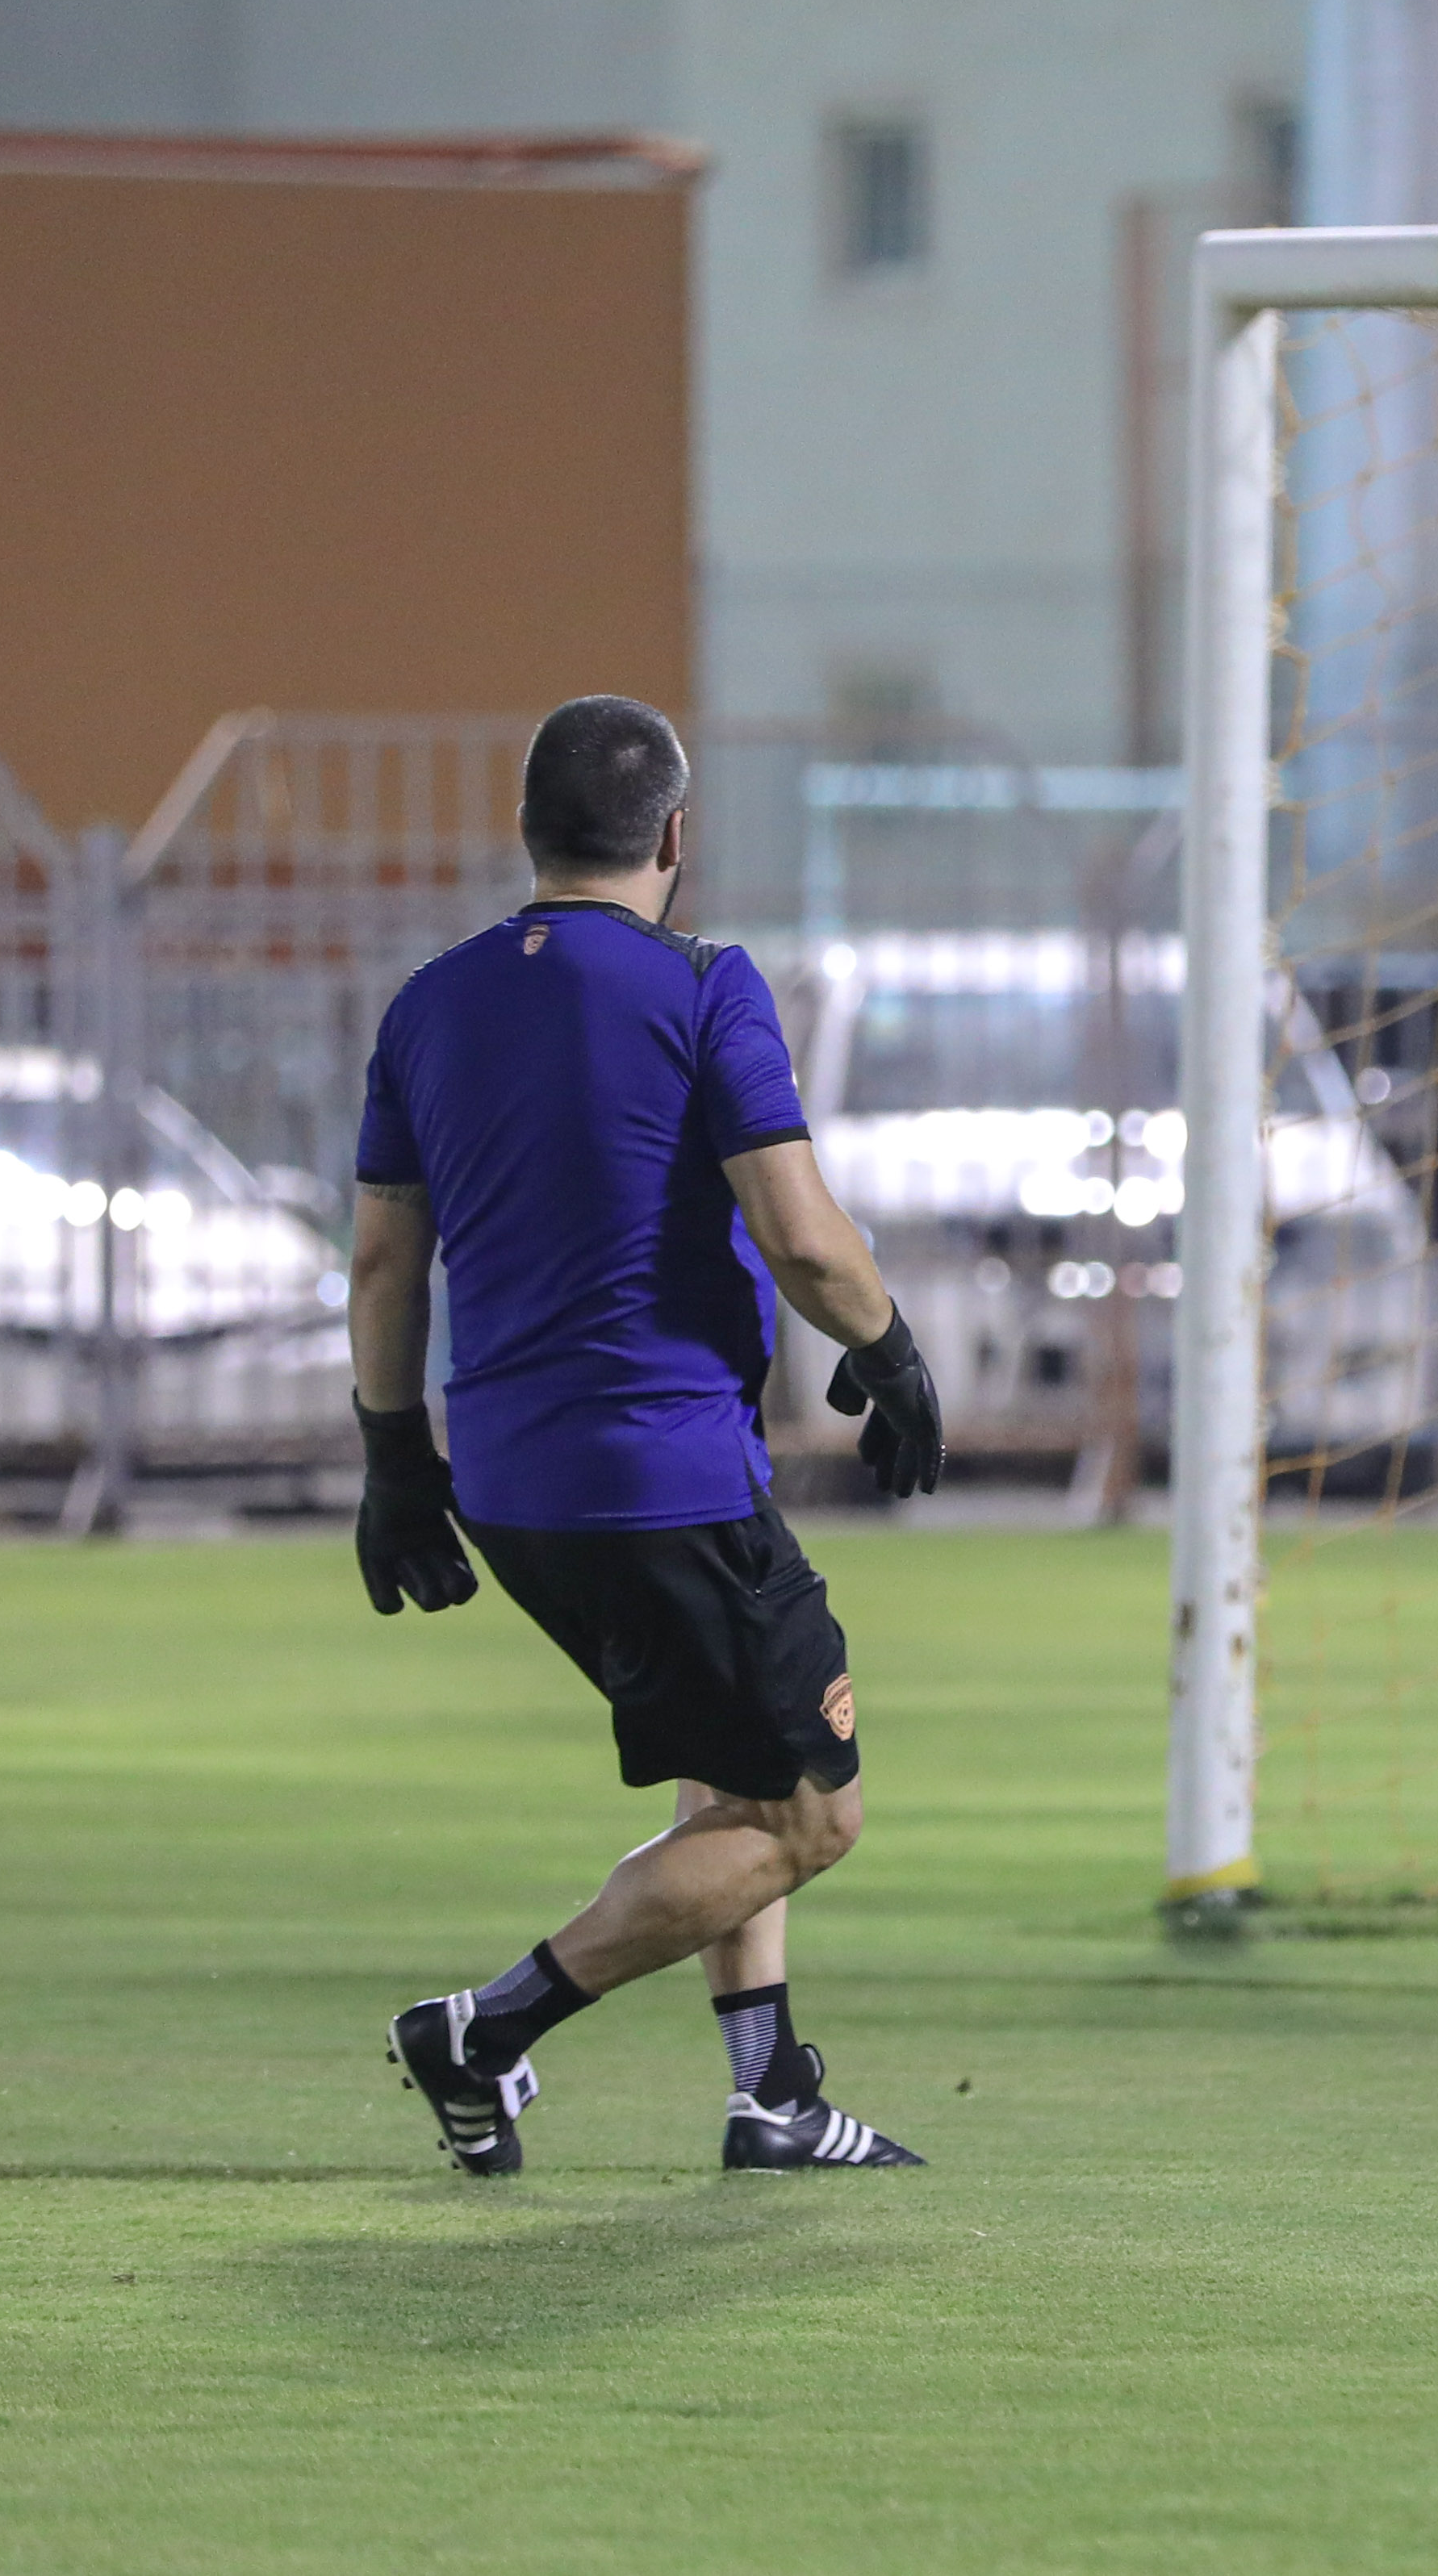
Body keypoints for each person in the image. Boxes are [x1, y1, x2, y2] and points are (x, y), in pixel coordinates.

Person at [346, 694, 953, 2172]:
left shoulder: (428, 1000)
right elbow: (801, 1235)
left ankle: (772, 2096)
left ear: (527, 832)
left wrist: (388, 1458)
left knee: (726, 1760)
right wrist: (891, 1349)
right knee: (812, 1812)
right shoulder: (703, 985)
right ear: (676, 833)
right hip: (660, 1472)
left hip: (504, 1479)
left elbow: (382, 1262)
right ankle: (484, 2029)